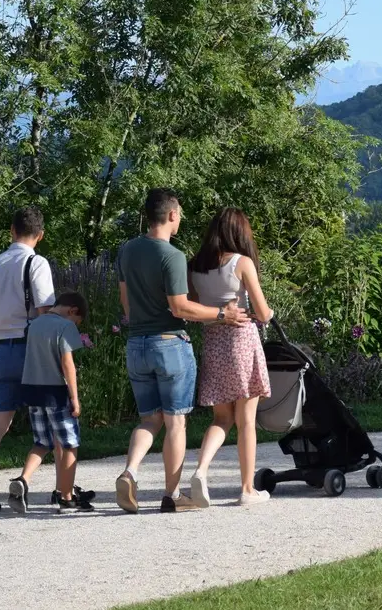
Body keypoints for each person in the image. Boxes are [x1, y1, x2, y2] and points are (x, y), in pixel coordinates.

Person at [113, 190, 249, 514]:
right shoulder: (171, 255)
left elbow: (125, 303)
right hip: (169, 344)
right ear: (171, 215)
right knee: (175, 423)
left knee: (149, 419)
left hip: (136, 344)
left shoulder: (127, 250)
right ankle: (171, 496)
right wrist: (221, 315)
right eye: (181, 214)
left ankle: (129, 472)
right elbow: (179, 307)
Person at [0, 206, 56, 513]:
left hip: (2, 348)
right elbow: (45, 313)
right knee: (50, 419)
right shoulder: (37, 263)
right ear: (39, 235)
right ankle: (62, 489)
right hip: (32, 350)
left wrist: (3, 326)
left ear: (11, 231)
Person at [186, 208, 276, 508]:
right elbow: (262, 313)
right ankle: (247, 489)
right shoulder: (242, 263)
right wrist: (269, 313)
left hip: (214, 342)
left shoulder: (195, 267)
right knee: (246, 420)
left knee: (221, 418)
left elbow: (195, 309)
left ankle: (200, 470)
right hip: (241, 343)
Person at [6, 292, 95, 514]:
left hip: (33, 390)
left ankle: (23, 480)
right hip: (56, 392)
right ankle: (66, 498)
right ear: (73, 311)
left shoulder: (34, 324)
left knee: (42, 443)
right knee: (69, 444)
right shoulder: (65, 327)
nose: (75, 324)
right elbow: (67, 364)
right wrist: (74, 398)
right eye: (77, 320)